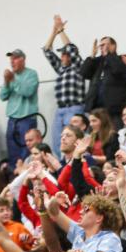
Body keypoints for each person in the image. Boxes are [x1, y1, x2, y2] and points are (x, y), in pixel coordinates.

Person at [43, 15, 85, 154]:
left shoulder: (78, 66)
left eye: (66, 55)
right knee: (57, 141)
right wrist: (53, 33)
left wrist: (61, 31)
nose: (64, 57)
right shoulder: (61, 69)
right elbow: (47, 50)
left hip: (74, 108)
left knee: (72, 139)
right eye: (62, 55)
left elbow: (72, 49)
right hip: (60, 110)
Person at [0, 49, 40, 166]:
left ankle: (26, 177)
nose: (12, 62)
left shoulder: (31, 74)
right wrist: (7, 82)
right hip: (12, 119)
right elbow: (2, 96)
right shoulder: (11, 77)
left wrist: (13, 80)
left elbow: (28, 91)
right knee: (12, 152)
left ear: (23, 59)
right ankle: (14, 176)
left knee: (26, 151)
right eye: (11, 59)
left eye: (15, 58)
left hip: (27, 118)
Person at [82, 37, 126, 130]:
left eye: (104, 45)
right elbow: (84, 73)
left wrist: (108, 54)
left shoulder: (121, 59)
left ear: (113, 46)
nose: (101, 47)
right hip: (95, 109)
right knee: (94, 140)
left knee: (114, 137)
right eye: (100, 45)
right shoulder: (98, 61)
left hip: (113, 110)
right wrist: (92, 56)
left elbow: (117, 69)